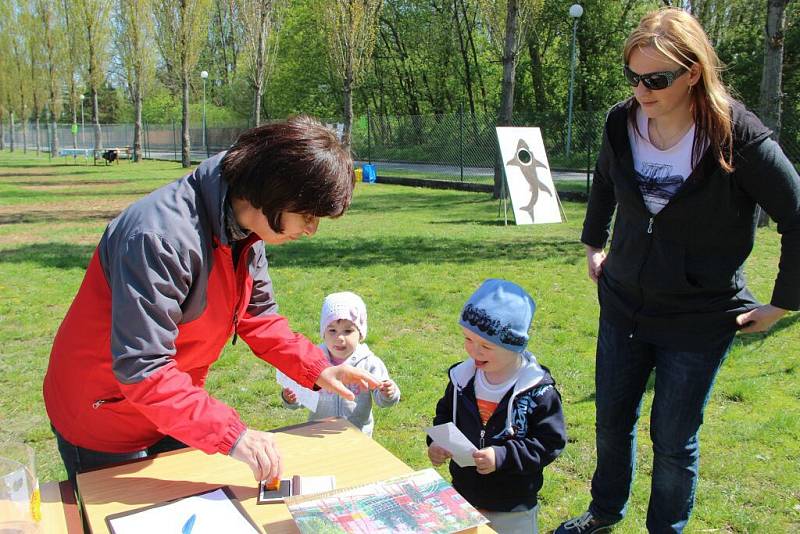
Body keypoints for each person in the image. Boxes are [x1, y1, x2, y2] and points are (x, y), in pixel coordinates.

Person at [556, 8, 800, 534]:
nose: (642, 90)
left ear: (693, 72)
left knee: (673, 439)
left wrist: (782, 303)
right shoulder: (621, 122)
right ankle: (603, 514)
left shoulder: (738, 136)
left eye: (657, 79)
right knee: (612, 422)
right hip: (623, 302)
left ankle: (665, 529)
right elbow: (604, 181)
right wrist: (593, 244)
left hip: (698, 316)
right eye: (634, 77)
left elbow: (798, 216)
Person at [43, 116, 381, 487]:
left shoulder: (245, 228)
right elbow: (143, 369)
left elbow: (258, 317)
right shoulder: (158, 238)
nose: (311, 230)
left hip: (172, 404)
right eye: (307, 216)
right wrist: (232, 434)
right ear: (272, 192)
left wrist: (318, 367)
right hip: (102, 415)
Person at [427, 279, 567, 534]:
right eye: (468, 339)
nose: (474, 351)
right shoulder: (462, 379)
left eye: (486, 346)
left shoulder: (537, 391)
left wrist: (502, 456)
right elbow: (444, 415)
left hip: (513, 507)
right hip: (464, 495)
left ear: (515, 346)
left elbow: (550, 443)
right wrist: (437, 443)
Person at [280, 291, 400, 436]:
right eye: (332, 331)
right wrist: (291, 398)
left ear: (361, 333)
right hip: (319, 433)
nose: (340, 338)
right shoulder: (313, 360)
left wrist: (388, 393)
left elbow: (383, 400)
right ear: (323, 332)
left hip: (357, 435)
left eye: (348, 331)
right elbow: (301, 394)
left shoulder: (369, 362)